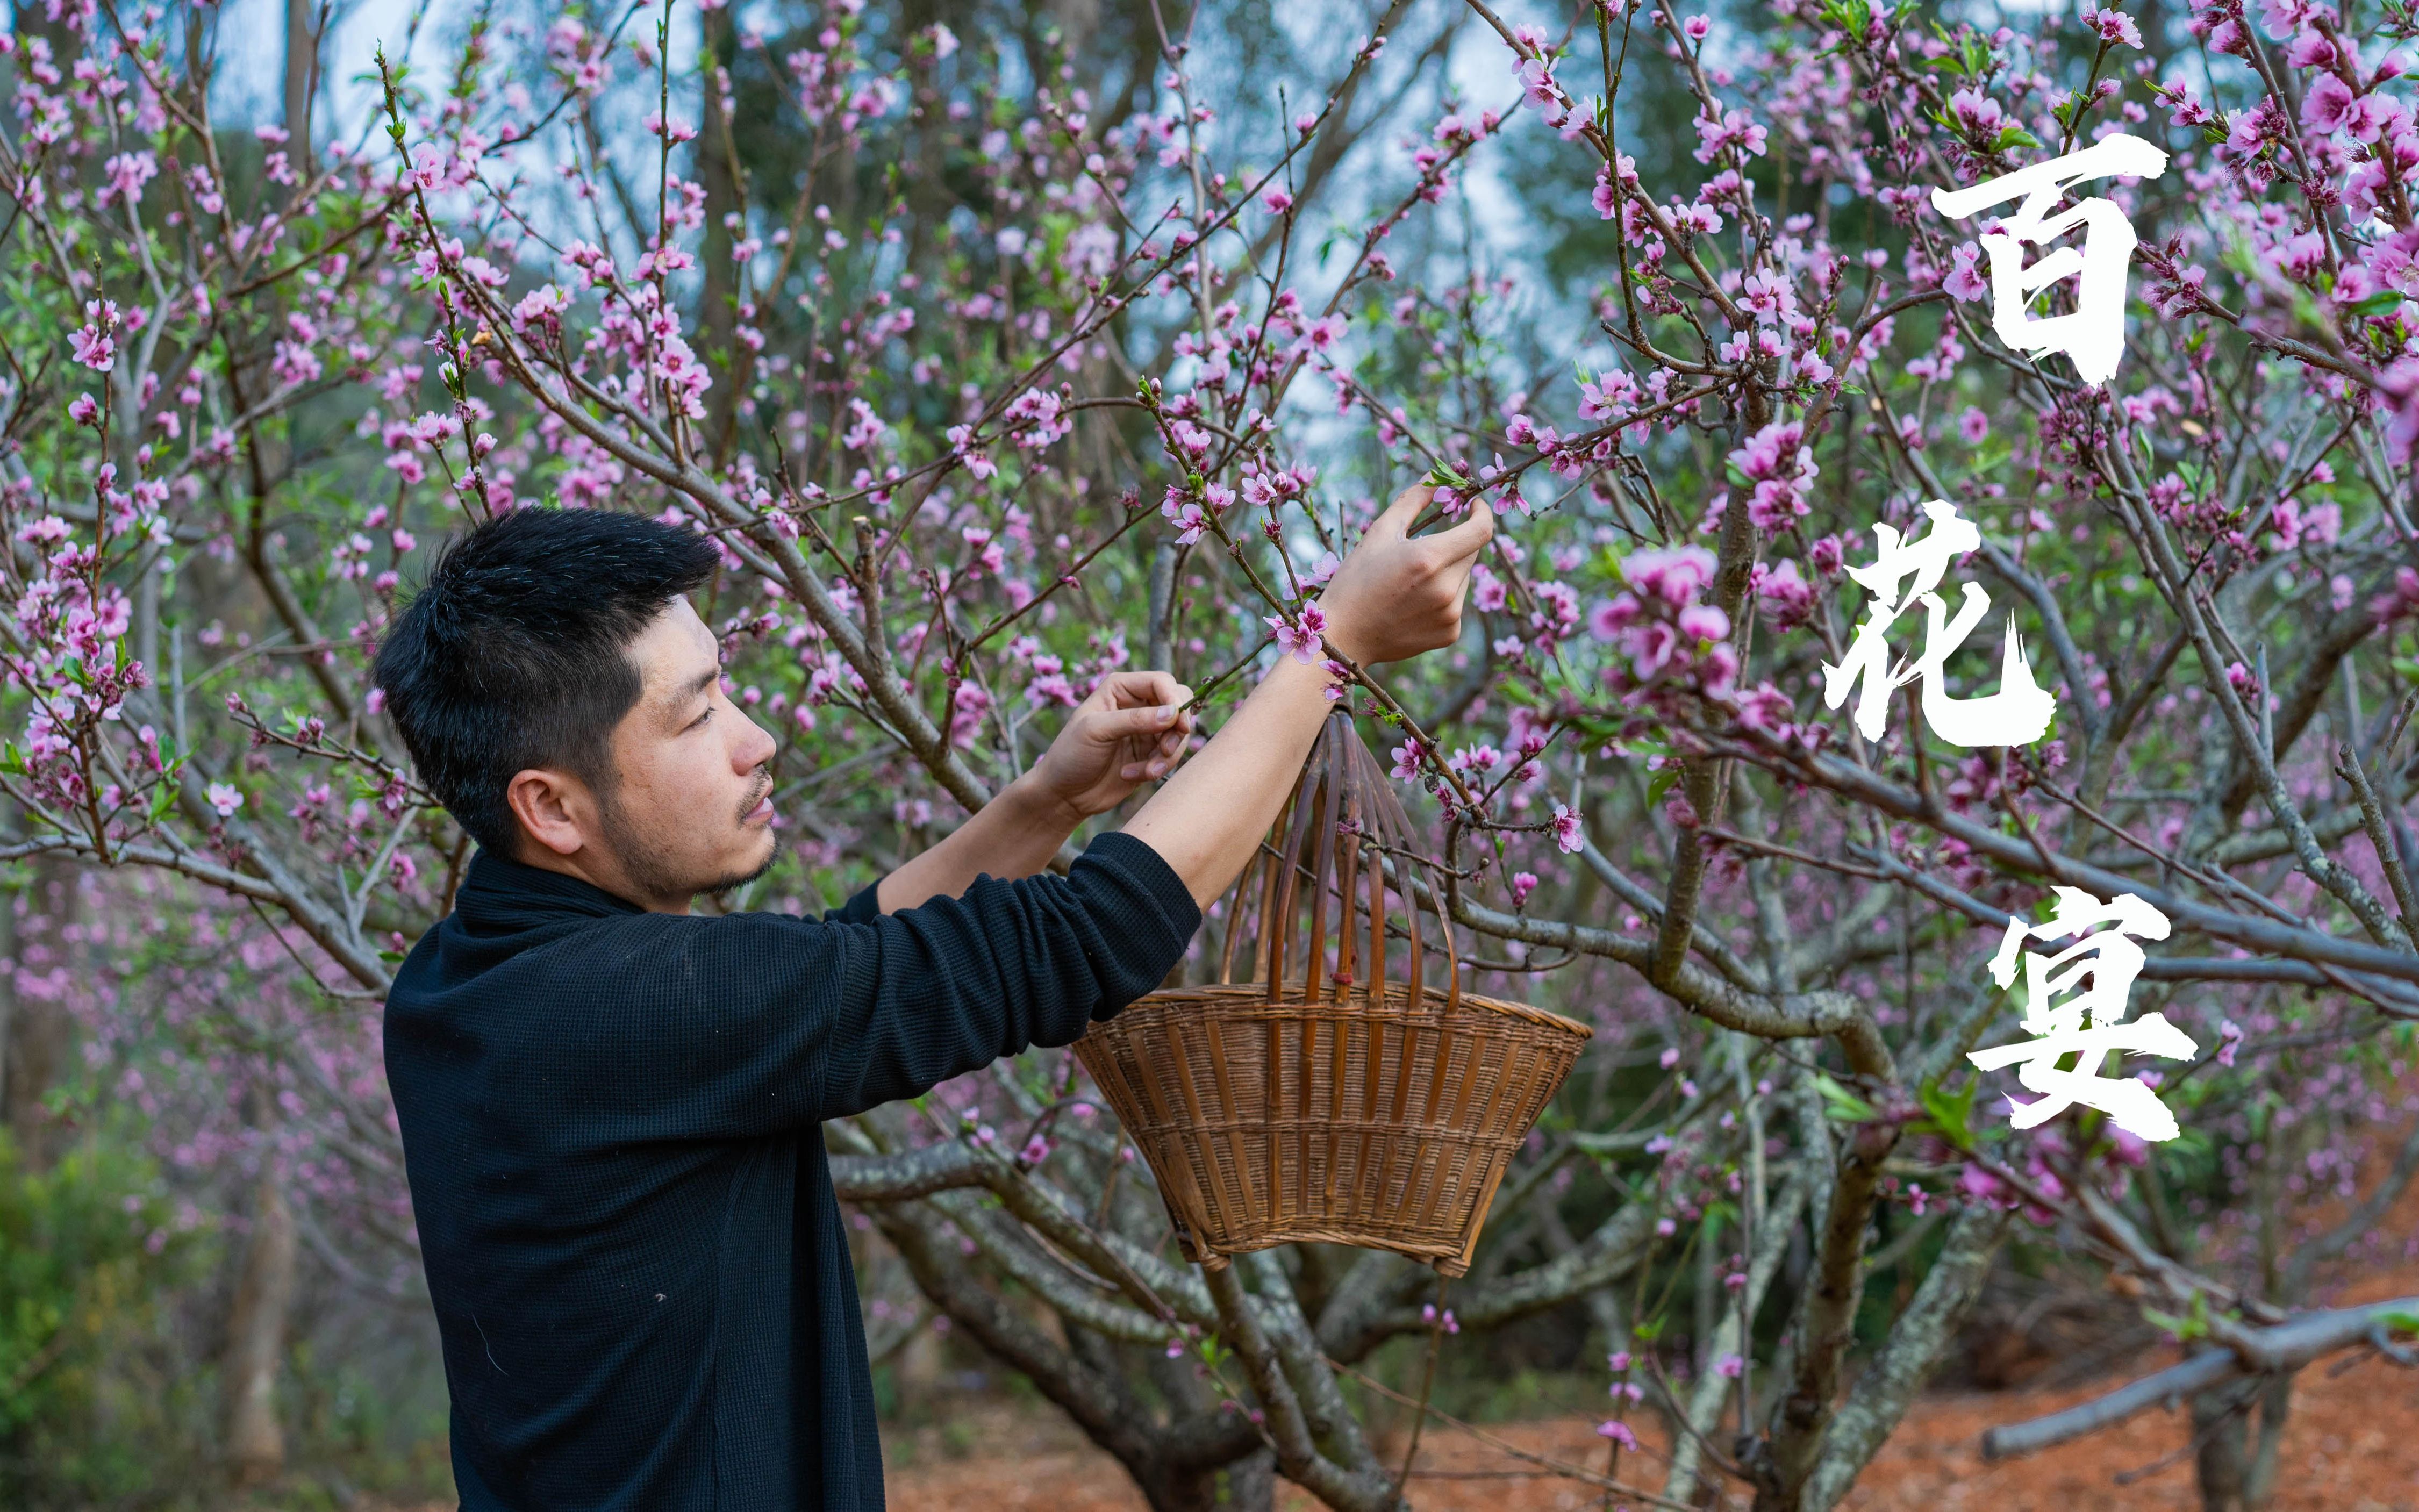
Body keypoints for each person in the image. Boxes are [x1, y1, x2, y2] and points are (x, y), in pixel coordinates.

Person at [373, 483, 1492, 1510]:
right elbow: (1086, 940)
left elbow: (829, 971)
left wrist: (1043, 804)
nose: (759, 743)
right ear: (552, 808)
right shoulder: (627, 1006)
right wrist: (1330, 650)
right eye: (700, 716)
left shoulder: (465, 985)